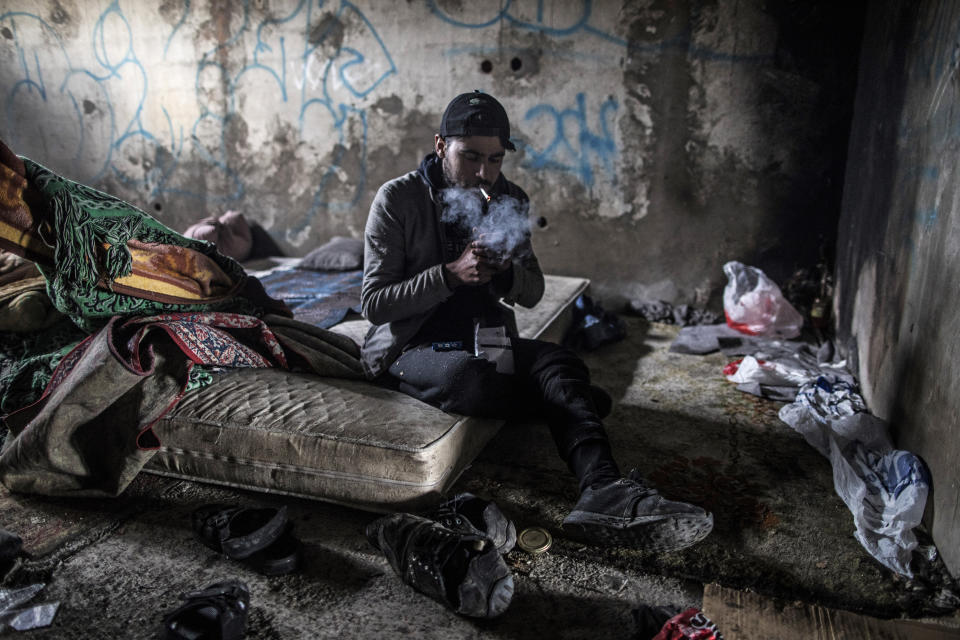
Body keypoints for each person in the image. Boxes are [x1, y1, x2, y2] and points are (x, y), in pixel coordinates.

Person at [360, 90, 713, 553]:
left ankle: (602, 490)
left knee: (561, 365)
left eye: (495, 159)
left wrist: (505, 272)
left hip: (484, 339)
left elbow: (534, 293)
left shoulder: (508, 197)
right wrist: (450, 274)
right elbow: (374, 303)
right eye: (470, 158)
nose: (484, 173)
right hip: (412, 347)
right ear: (441, 145)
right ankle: (563, 405)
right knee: (477, 379)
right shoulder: (399, 198)